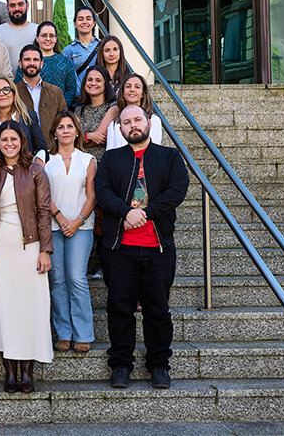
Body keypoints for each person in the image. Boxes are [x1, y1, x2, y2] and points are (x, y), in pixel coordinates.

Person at [94, 104, 189, 390]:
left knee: (157, 310)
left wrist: (145, 213)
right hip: (119, 248)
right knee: (119, 308)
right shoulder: (111, 159)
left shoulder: (169, 156)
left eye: (137, 120)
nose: (132, 125)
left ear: (148, 123)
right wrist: (125, 212)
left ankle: (159, 365)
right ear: (119, 129)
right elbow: (102, 191)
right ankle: (121, 365)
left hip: (158, 247)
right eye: (126, 122)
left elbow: (178, 189)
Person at [0, 120, 53, 393]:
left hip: (29, 247)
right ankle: (9, 372)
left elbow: (43, 212)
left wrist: (45, 250)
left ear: (22, 141)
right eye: (3, 140)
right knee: (3, 307)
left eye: (13, 139)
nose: (8, 144)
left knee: (28, 308)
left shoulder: (36, 171)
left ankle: (27, 371)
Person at [35, 110, 96, 353]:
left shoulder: (88, 160)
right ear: (54, 133)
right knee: (57, 279)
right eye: (61, 127)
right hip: (52, 226)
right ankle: (63, 332)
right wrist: (59, 217)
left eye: (70, 126)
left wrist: (78, 221)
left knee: (77, 279)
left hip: (81, 227)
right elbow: (41, 192)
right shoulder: (43, 158)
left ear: (77, 131)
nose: (66, 130)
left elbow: (92, 195)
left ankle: (83, 333)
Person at [15, 44, 67, 153]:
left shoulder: (56, 92)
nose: (32, 63)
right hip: (22, 152)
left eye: (35, 60)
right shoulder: (13, 93)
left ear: (41, 63)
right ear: (20, 64)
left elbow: (63, 122)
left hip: (51, 150)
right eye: (27, 59)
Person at [13, 21, 78, 106]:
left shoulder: (66, 62)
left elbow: (71, 89)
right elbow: (19, 87)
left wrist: (60, 107)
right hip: (30, 110)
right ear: (37, 38)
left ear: (56, 38)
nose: (48, 39)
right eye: (44, 35)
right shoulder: (28, 62)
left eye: (51, 35)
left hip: (59, 111)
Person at [0, 77, 47, 155]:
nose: (1, 94)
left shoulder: (29, 117)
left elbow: (42, 149)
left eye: (6, 89)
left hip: (25, 166)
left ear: (14, 94)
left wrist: (38, 162)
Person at [107, 73, 163, 150]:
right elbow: (110, 154)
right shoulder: (114, 124)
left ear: (143, 94)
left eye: (137, 87)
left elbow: (154, 150)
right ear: (123, 93)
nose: (132, 89)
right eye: (128, 86)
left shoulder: (154, 120)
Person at [75, 66, 119, 163]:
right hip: (80, 163)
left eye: (98, 80)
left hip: (101, 163)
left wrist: (82, 139)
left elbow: (99, 138)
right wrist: (89, 136)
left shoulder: (113, 107)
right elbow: (72, 139)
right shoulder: (79, 110)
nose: (93, 83)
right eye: (89, 80)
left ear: (106, 84)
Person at [0, 0, 38, 67]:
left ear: (27, 5)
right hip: (4, 79)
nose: (17, 9)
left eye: (20, 4)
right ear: (7, 8)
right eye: (12, 5)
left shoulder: (38, 31)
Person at [62, 6, 101, 91]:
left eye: (88, 19)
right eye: (80, 19)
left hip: (101, 97)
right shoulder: (68, 51)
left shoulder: (103, 46)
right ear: (75, 24)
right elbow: (70, 77)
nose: (84, 22)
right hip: (78, 99)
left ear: (94, 23)